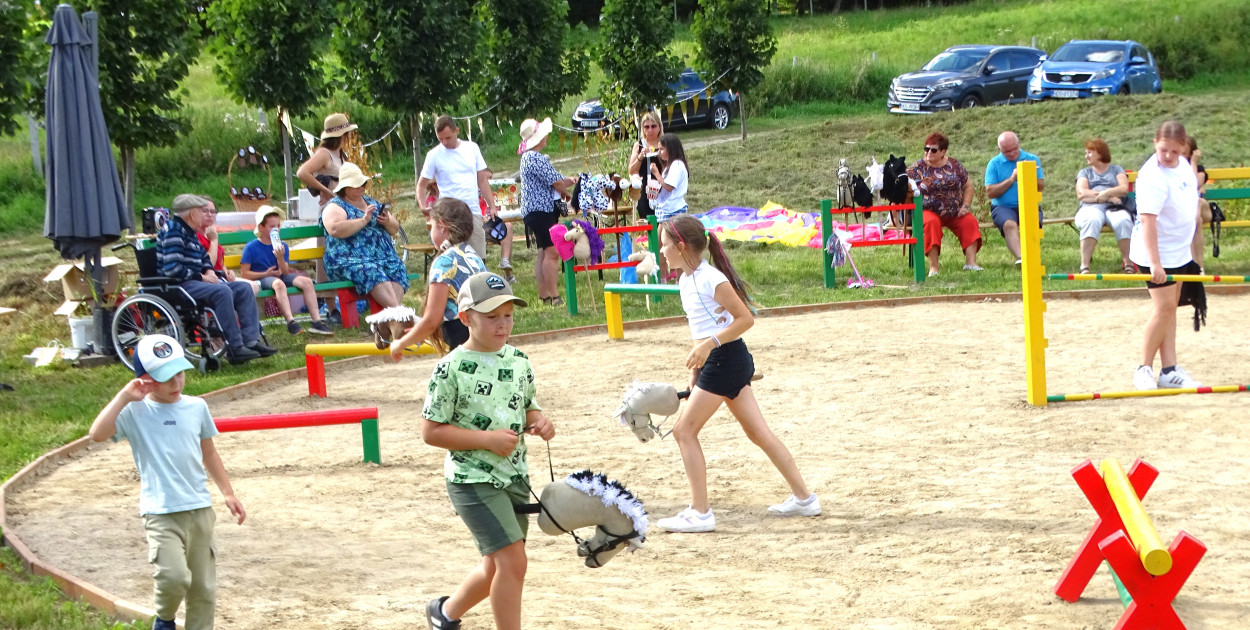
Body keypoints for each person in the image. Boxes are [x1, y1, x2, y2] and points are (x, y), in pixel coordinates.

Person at [653, 214, 819, 534]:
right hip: (720, 362)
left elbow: (745, 319)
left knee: (683, 431)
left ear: (681, 246)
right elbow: (700, 330)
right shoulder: (686, 280)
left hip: (725, 360)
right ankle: (805, 498)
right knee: (758, 433)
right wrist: (696, 371)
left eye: (664, 244)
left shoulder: (709, 278)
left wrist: (708, 348)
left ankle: (699, 513)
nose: (661, 251)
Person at [421, 271, 555, 630]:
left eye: (508, 315)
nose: (502, 325)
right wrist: (486, 441)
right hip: (472, 480)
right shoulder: (449, 369)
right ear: (465, 318)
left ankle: (445, 614)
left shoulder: (519, 360)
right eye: (492, 317)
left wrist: (540, 421)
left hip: (514, 475)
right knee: (514, 562)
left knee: (497, 564)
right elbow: (431, 432)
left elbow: (528, 406)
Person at [87, 334, 246, 630]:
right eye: (166, 377)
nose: (177, 383)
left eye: (180, 373)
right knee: (173, 577)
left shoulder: (196, 407)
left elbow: (209, 452)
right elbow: (96, 433)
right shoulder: (135, 412)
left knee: (203, 589)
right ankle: (164, 619)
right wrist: (124, 397)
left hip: (199, 509)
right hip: (160, 512)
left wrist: (227, 492)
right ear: (144, 379)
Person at [1129, 121, 1205, 391]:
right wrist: (1155, 263)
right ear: (1154, 144)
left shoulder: (1183, 165)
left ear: (1184, 148)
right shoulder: (1151, 176)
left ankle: (1170, 369)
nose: (1168, 156)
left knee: (1170, 309)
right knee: (1163, 310)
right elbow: (1148, 222)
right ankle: (1144, 368)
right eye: (1163, 150)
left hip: (1179, 251)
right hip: (1155, 253)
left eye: (1174, 151)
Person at [157, 194, 276, 364]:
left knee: (243, 289)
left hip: (196, 282)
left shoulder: (190, 232)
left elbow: (203, 258)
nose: (206, 215)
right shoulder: (173, 231)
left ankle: (251, 341)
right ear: (192, 214)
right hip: (180, 285)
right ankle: (235, 347)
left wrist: (209, 270)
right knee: (222, 291)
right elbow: (172, 269)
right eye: (202, 211)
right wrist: (202, 277)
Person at [321, 163, 410, 342]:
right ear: (345, 187)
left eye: (362, 183)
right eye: (357, 184)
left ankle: (389, 320)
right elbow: (335, 229)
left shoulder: (372, 203)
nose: (361, 187)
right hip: (347, 259)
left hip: (381, 256)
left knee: (397, 268)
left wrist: (386, 221)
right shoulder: (334, 206)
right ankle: (399, 317)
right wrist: (363, 220)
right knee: (371, 271)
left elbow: (395, 229)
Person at [389, 198, 488, 359]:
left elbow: (432, 320)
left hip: (462, 342)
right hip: (483, 335)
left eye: (432, 226)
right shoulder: (473, 255)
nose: (430, 232)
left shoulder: (444, 262)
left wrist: (400, 344)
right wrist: (416, 332)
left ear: (442, 226)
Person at [417, 115, 500, 266]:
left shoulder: (471, 148)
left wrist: (491, 206)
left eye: (448, 138)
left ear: (457, 131)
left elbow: (482, 180)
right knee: (449, 259)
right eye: (440, 139)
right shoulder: (434, 155)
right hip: (449, 214)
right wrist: (423, 206)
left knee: (477, 259)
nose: (444, 142)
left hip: (472, 210)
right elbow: (421, 185)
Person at [240, 206, 332, 336]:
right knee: (278, 284)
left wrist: (280, 258)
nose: (276, 229)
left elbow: (285, 272)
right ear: (261, 228)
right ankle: (291, 321)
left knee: (306, 282)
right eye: (272, 226)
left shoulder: (282, 246)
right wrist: (266, 274)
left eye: (278, 226)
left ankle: (317, 322)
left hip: (278, 276)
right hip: (262, 279)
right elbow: (245, 273)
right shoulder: (251, 247)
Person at [517, 117, 575, 306]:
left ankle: (544, 295)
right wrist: (566, 191)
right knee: (552, 252)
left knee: (543, 251)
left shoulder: (529, 157)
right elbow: (556, 182)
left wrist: (569, 181)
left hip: (535, 211)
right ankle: (555, 295)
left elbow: (556, 179)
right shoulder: (534, 157)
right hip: (541, 210)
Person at [907, 132, 981, 276]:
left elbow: (968, 186)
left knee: (969, 221)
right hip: (927, 210)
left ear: (943, 151)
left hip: (954, 211)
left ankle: (971, 263)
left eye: (933, 150)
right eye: (926, 149)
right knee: (931, 223)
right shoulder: (916, 168)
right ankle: (934, 267)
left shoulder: (955, 165)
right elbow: (904, 191)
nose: (928, 152)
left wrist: (965, 206)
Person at [985, 131, 1045, 265]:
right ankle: (1021, 258)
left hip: (1029, 203)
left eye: (1014, 149)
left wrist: (1027, 174)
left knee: (1032, 223)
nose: (1012, 153)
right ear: (1000, 150)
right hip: (1003, 206)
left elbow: (1041, 186)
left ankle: (1031, 256)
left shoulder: (1032, 158)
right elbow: (990, 192)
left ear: (1019, 144)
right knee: (1009, 224)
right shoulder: (994, 163)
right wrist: (1012, 179)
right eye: (1007, 151)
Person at [1074, 139, 1133, 274]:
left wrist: (1107, 193)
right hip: (1091, 207)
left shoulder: (1116, 169)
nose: (1086, 156)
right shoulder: (1085, 172)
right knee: (1092, 220)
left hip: (1114, 207)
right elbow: (1082, 193)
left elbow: (1124, 189)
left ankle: (1128, 264)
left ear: (1100, 153)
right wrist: (1107, 195)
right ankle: (1084, 266)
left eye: (1090, 152)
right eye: (1086, 153)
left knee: (1123, 221)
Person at [196, 198, 259, 296]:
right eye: (205, 211)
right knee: (247, 288)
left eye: (213, 211)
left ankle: (238, 311)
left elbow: (220, 262)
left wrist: (228, 271)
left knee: (253, 286)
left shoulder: (209, 233)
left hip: (221, 275)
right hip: (209, 278)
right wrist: (213, 241)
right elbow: (208, 264)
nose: (209, 214)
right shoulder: (196, 236)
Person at [649, 133, 690, 281]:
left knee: (674, 247)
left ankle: (679, 279)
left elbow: (669, 186)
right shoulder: (669, 167)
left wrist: (657, 175)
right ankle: (664, 277)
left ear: (670, 149)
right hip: (665, 211)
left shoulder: (677, 165)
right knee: (661, 246)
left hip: (674, 212)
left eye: (661, 149)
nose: (659, 153)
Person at [296, 112, 356, 206]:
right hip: (331, 207)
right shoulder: (324, 153)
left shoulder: (340, 154)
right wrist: (326, 191)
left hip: (342, 204)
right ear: (343, 134)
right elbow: (302, 173)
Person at [628, 111, 664, 222]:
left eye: (653, 126)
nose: (650, 130)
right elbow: (631, 170)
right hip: (645, 190)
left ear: (659, 127)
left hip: (663, 187)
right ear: (642, 129)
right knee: (647, 221)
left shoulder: (665, 143)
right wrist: (640, 156)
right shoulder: (639, 145)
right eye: (646, 127)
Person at [1184, 136, 1210, 273]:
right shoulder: (1173, 170)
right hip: (1186, 212)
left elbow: (1193, 185)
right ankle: (1198, 266)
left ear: (1192, 152)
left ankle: (1197, 265)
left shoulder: (1198, 168)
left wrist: (1193, 162)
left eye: (1185, 152)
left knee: (1197, 204)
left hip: (1202, 209)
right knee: (1196, 221)